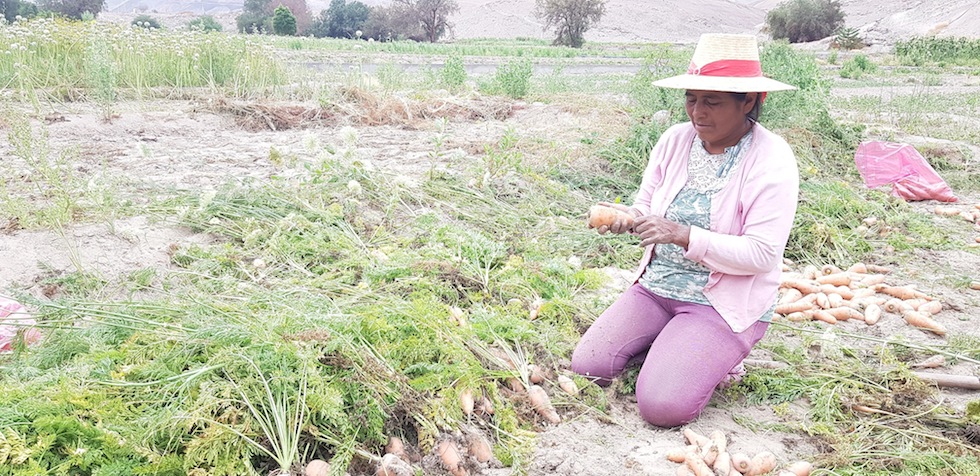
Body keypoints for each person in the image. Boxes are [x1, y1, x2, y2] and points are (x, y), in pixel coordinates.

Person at [571, 33, 800, 428]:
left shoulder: (772, 159)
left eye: (712, 102)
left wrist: (683, 234)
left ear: (750, 102)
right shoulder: (675, 140)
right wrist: (626, 217)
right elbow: (645, 205)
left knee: (662, 408)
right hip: (657, 287)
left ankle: (713, 356)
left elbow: (763, 255)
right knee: (589, 366)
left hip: (722, 303)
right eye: (691, 99)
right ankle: (676, 347)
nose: (697, 113)